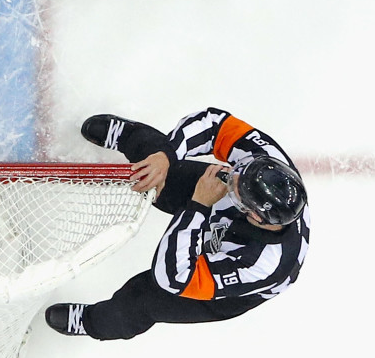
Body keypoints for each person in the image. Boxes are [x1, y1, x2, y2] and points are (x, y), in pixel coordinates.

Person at [46, 107, 309, 341]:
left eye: (236, 188)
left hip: (221, 282)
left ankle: (92, 323)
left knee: (145, 300)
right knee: (161, 169)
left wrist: (199, 205)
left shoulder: (261, 266)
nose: (230, 176)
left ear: (254, 215)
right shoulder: (267, 162)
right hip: (225, 215)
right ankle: (127, 136)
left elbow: (173, 277)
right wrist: (166, 154)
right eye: (236, 172)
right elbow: (215, 124)